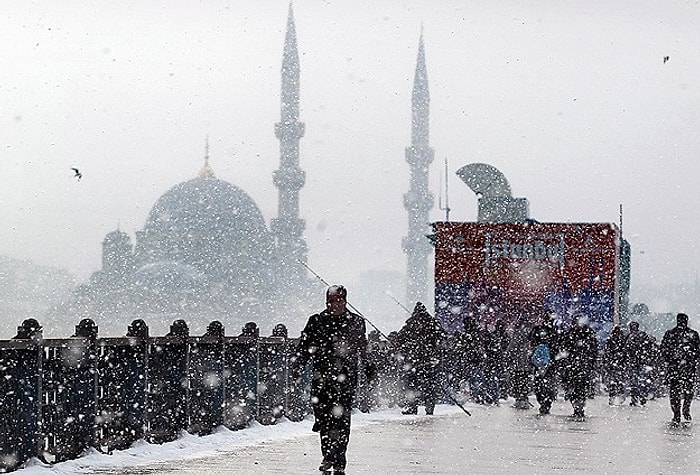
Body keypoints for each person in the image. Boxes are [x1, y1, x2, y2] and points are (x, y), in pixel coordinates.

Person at [293, 285, 374, 475]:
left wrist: (368, 366)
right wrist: (298, 367)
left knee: (341, 420)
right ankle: (329, 452)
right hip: (322, 377)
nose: (333, 305)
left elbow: (363, 347)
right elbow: (305, 347)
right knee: (324, 417)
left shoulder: (356, 322)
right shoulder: (316, 321)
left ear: (345, 301)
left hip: (346, 378)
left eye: (337, 301)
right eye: (330, 301)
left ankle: (337, 459)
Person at [394, 302, 446, 415]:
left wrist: (405, 346)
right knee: (429, 385)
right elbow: (443, 336)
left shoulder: (411, 323)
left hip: (413, 361)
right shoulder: (432, 323)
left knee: (411, 385)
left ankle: (412, 407)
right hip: (428, 361)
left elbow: (399, 338)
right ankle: (429, 407)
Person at [660, 313, 700, 424]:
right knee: (687, 390)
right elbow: (697, 351)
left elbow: (663, 349)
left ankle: (677, 413)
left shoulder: (670, 334)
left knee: (675, 392)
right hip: (687, 368)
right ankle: (684, 409)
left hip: (676, 368)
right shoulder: (693, 334)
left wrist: (670, 359)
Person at [558, 315, 598, 419]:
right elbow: (564, 348)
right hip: (571, 367)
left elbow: (593, 350)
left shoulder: (589, 333)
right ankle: (576, 407)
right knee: (571, 389)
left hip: (583, 366)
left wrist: (590, 363)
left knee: (581, 389)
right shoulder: (569, 333)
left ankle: (579, 408)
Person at [529, 313, 558, 414]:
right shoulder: (555, 331)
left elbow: (531, 343)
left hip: (541, 364)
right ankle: (546, 404)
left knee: (540, 385)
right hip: (550, 364)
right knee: (547, 386)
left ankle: (543, 403)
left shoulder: (538, 329)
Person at [624, 321, 656, 406]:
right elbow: (650, 346)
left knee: (634, 382)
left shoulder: (629, 337)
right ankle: (642, 397)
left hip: (634, 362)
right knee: (642, 381)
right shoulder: (643, 335)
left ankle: (635, 399)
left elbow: (625, 349)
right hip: (642, 362)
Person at [602, 325, 627, 405]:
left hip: (613, 364)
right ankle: (619, 396)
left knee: (613, 381)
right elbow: (625, 352)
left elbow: (606, 352)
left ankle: (613, 397)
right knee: (618, 381)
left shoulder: (611, 340)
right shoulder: (622, 340)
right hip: (618, 364)